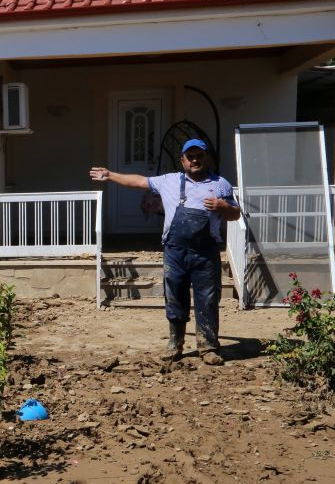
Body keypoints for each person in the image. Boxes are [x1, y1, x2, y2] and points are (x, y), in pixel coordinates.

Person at [89, 139, 240, 364]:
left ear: (205, 157)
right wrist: (110, 175)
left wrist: (223, 206)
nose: (195, 160)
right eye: (190, 156)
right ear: (183, 160)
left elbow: (235, 214)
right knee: (175, 297)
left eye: (199, 155)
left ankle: (207, 346)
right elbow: (139, 181)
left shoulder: (221, 184)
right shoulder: (169, 181)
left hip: (206, 253)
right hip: (175, 252)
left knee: (207, 299)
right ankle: (175, 343)